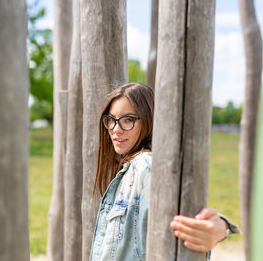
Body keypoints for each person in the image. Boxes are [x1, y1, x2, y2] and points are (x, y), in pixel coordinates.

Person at [90, 83, 239, 261]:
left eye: (128, 120)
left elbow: (181, 218)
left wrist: (219, 226)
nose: (116, 129)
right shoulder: (130, 168)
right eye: (112, 120)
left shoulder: (146, 167)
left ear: (149, 121)